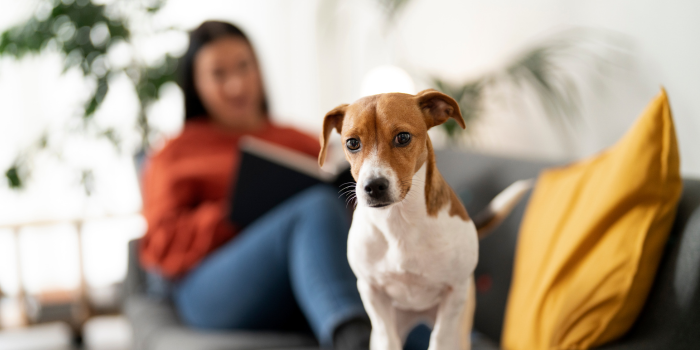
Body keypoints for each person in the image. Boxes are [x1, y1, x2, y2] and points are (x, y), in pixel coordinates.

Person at [138, 21, 430, 350]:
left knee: (347, 243)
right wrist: (234, 214)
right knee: (314, 207)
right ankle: (353, 339)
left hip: (303, 277)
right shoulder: (173, 153)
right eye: (219, 75)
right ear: (196, 84)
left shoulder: (299, 141)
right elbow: (159, 246)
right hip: (210, 288)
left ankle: (463, 341)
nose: (236, 85)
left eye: (244, 67)